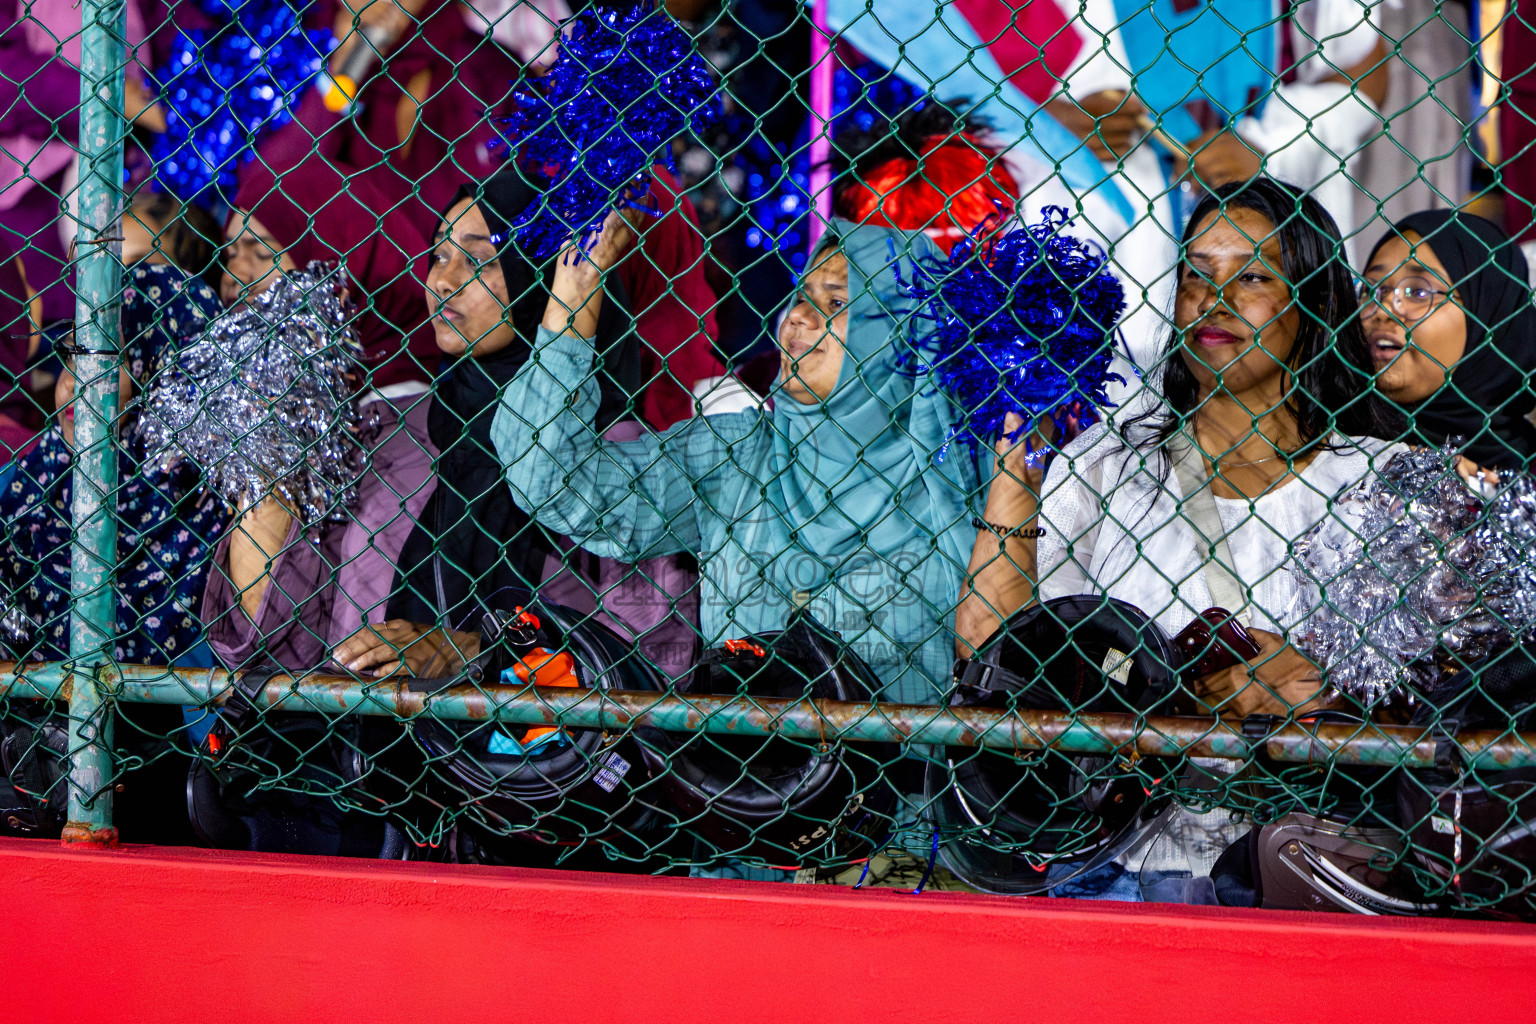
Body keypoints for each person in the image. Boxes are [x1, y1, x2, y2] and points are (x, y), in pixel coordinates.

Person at [957, 178, 1403, 719]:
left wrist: (1327, 688)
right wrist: (1018, 464)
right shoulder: (1107, 464)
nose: (1216, 299)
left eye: (1255, 275)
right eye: (1198, 274)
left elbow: (1440, 686)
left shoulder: (1380, 480)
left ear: (1317, 302)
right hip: (1136, 796)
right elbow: (991, 656)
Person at [488, 215, 975, 703]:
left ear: (901, 336)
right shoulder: (737, 455)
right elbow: (549, 479)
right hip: (745, 770)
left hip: (905, 774)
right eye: (802, 296)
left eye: (837, 302)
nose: (799, 317)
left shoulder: (957, 478)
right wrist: (577, 291)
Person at [334, 167, 725, 680]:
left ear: (539, 275)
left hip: (537, 755)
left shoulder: (614, 457)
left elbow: (649, 665)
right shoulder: (394, 432)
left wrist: (481, 652)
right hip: (367, 746)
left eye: (479, 260)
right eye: (439, 255)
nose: (444, 281)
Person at [192, 289, 438, 675]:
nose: (240, 283)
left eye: (264, 253)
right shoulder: (301, 434)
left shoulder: (411, 433)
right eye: (232, 253)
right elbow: (261, 646)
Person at [0, 262, 226, 663]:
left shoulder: (213, 515)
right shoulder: (23, 482)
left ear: (162, 376)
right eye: (71, 353)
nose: (73, 381)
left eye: (109, 360)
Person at [224, 153, 439, 389]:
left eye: (264, 252)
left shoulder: (405, 411)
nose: (235, 275)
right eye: (230, 253)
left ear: (340, 257)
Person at [1358, 208, 1536, 477]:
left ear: (1488, 314)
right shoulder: (1332, 452)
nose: (1382, 310)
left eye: (1418, 292)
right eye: (1372, 290)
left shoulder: (1527, 471)